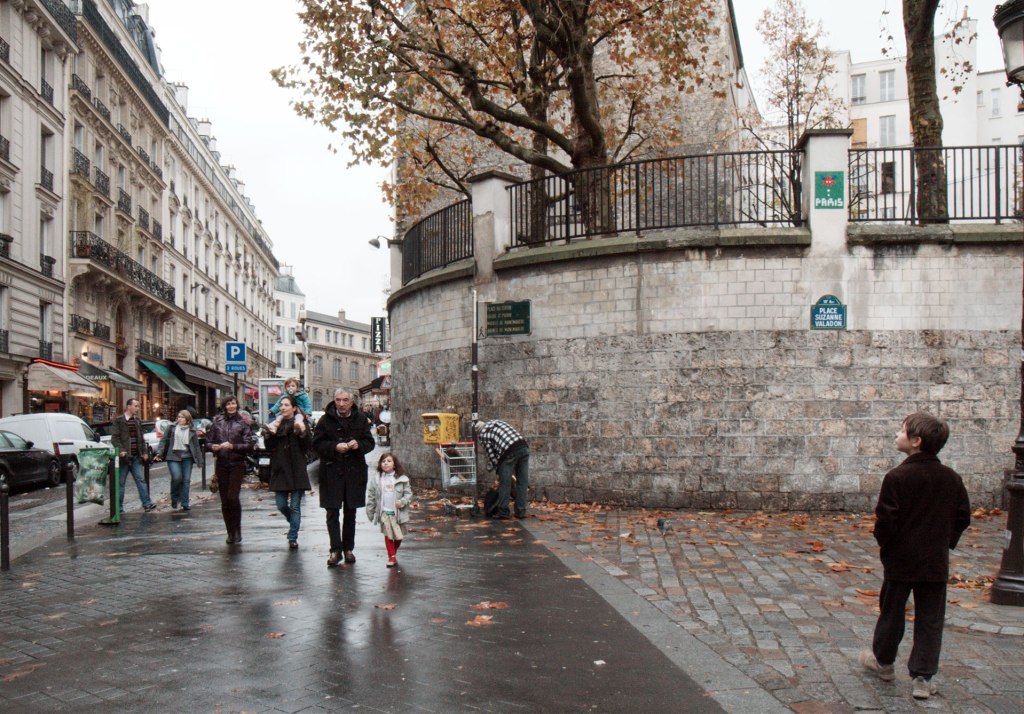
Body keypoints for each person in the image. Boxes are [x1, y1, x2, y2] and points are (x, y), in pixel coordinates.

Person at [858, 412, 971, 701]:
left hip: (900, 559)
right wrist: (945, 543)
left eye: (902, 430)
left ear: (916, 441)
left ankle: (883, 662)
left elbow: (885, 520)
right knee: (930, 618)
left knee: (892, 611)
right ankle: (922, 677)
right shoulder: (951, 478)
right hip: (934, 560)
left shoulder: (896, 477)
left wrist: (887, 546)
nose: (897, 434)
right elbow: (963, 515)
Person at [313, 389, 375, 567]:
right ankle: (335, 549)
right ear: (334, 401)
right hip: (331, 472)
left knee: (350, 511)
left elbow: (369, 442)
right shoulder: (325, 420)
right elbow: (316, 444)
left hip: (353, 472)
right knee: (332, 512)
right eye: (338, 400)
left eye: (345, 400)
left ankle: (348, 548)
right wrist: (334, 446)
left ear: (351, 402)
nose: (341, 404)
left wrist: (358, 445)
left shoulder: (361, 419)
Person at [264, 395, 313, 549]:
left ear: (293, 408)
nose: (283, 408)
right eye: (282, 405)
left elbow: (307, 445)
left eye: (286, 405)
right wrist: (269, 433)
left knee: (295, 507)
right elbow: (269, 446)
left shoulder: (300, 423)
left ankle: (293, 536)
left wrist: (302, 432)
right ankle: (293, 522)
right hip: (280, 469)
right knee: (280, 505)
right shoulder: (276, 424)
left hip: (296, 468)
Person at [206, 395, 255, 544]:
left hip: (236, 463)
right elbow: (208, 442)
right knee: (225, 501)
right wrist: (212, 447)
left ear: (237, 405)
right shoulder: (217, 422)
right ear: (224, 406)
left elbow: (249, 444)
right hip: (221, 463)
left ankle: (237, 529)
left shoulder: (243, 423)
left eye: (233, 403)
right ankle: (230, 532)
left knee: (233, 497)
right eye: (228, 404)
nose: (231, 406)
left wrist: (233, 446)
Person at [473, 419, 530, 519]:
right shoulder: (497, 422)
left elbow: (491, 455)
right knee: (522, 482)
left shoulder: (483, 434)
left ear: (478, 431)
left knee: (505, 482)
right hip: (523, 446)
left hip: (509, 451)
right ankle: (520, 511)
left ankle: (503, 511)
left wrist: (499, 471)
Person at [366, 452, 413, 568]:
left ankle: (393, 552)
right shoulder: (377, 479)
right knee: (388, 535)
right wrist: (370, 511)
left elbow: (408, 494)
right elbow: (371, 495)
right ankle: (391, 556)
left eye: (389, 461)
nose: (385, 463)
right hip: (384, 512)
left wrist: (401, 502)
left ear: (394, 464)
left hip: (398, 513)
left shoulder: (402, 479)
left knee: (399, 536)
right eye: (383, 461)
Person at [110, 398, 156, 513]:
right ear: (128, 406)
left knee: (140, 480)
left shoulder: (137, 421)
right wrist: (121, 450)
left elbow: (141, 439)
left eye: (138, 406)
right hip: (124, 458)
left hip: (136, 457)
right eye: (136, 406)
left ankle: (147, 503)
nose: (138, 408)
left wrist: (144, 452)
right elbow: (115, 438)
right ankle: (119, 508)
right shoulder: (119, 421)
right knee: (120, 483)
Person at [155, 409, 203, 511]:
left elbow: (196, 446)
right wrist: (159, 452)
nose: (179, 419)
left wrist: (200, 460)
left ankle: (185, 503)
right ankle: (174, 498)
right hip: (173, 456)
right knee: (177, 478)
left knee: (186, 480)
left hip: (187, 458)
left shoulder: (192, 431)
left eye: (182, 417)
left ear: (187, 419)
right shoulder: (171, 427)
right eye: (179, 417)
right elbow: (163, 440)